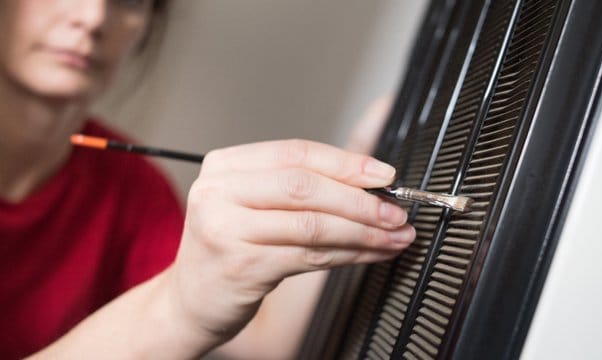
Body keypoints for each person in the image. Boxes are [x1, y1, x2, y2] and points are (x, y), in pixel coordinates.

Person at [0, 0, 415, 358]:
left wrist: (357, 173)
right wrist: (176, 312)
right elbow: (188, 307)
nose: (92, 18)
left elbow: (264, 338)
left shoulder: (132, 187)